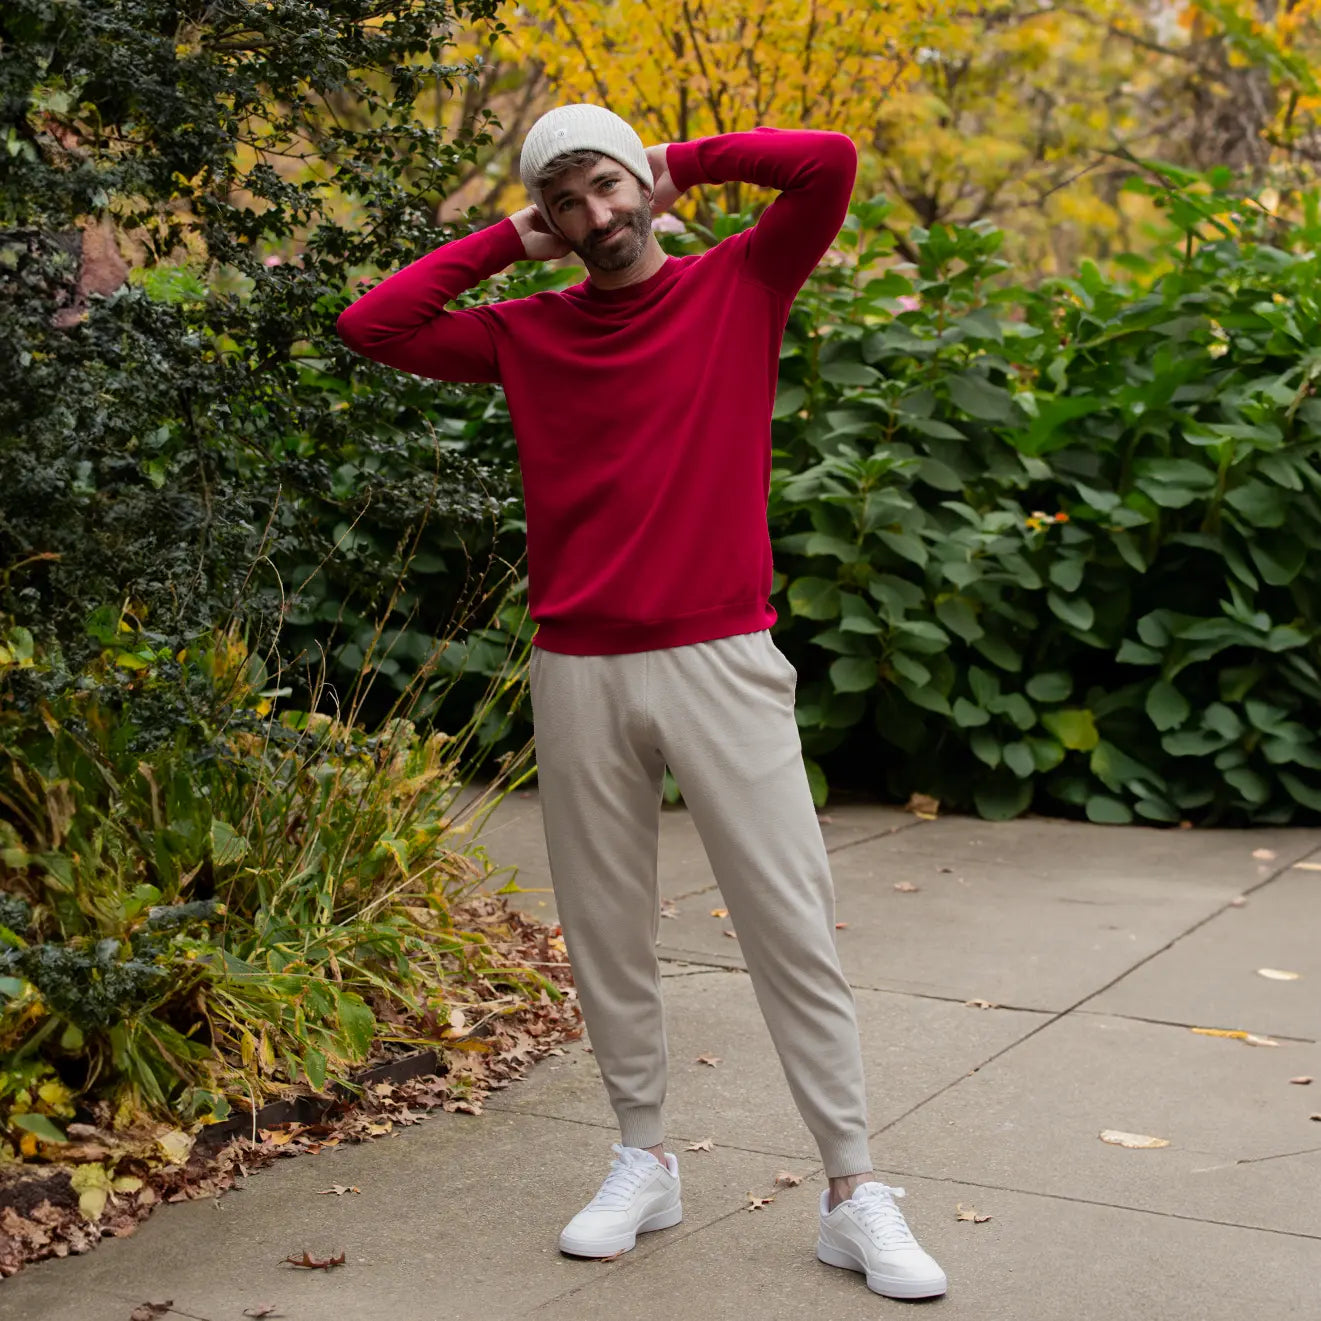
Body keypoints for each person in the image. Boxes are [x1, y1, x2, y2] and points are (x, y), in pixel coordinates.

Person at [336, 102, 947, 1302]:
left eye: (608, 188)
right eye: (567, 201)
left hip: (721, 651)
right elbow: (373, 324)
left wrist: (671, 162)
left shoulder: (741, 282)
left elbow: (823, 164)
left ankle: (850, 1188)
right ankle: (643, 1158)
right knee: (607, 928)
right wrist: (514, 238)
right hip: (577, 662)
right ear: (550, 219)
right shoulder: (525, 330)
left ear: (647, 186)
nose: (596, 215)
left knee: (789, 923)